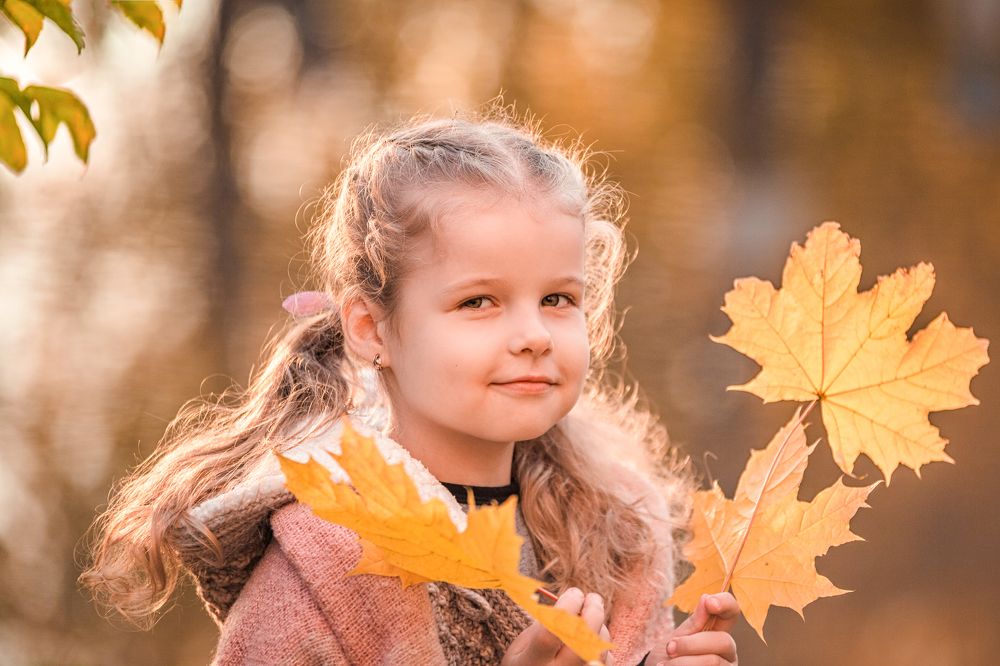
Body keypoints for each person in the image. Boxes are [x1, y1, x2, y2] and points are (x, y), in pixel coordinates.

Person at [81, 109, 739, 665]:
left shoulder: (616, 534)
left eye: (559, 298)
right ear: (371, 328)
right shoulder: (319, 566)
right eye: (479, 302)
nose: (534, 333)